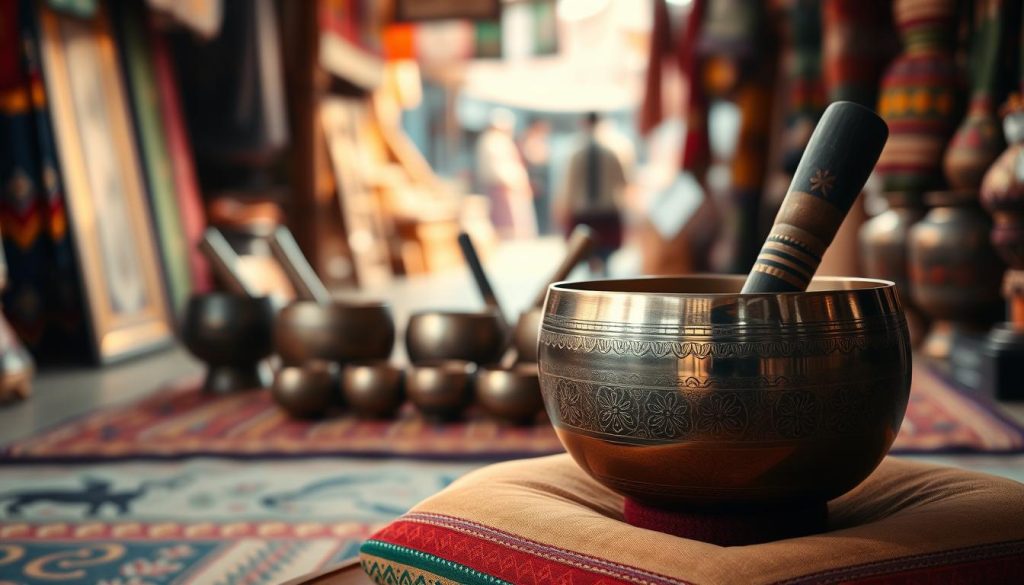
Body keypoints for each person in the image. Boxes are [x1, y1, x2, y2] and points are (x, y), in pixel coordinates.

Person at [555, 112, 629, 274]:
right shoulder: (611, 151)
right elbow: (623, 182)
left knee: (593, 256)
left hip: (591, 212)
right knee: (598, 257)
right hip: (601, 211)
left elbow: (569, 186)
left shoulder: (578, 153)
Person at [475, 109, 537, 239]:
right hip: (502, 189)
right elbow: (498, 170)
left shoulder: (500, 141)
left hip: (510, 188)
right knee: (505, 229)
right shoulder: (492, 141)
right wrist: (515, 182)